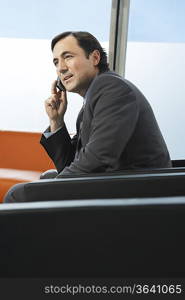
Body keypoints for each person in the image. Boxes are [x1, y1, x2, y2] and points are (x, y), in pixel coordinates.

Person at [4, 31, 171, 203]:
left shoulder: (111, 88)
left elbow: (98, 160)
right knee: (48, 177)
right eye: (56, 62)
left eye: (67, 57)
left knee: (18, 194)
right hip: (118, 183)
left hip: (139, 193)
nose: (60, 68)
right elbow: (69, 165)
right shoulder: (91, 102)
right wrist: (56, 121)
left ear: (95, 58)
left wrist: (51, 187)